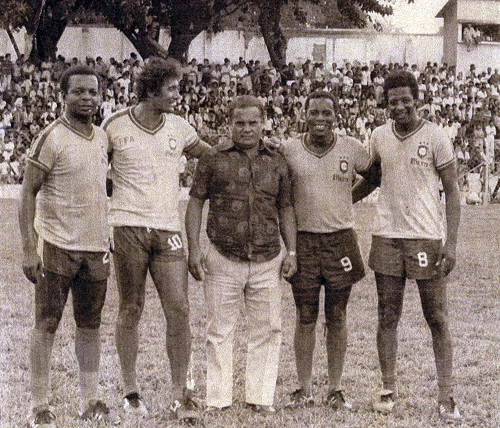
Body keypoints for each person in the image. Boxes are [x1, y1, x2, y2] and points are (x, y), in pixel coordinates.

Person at [101, 57, 214, 423]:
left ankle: (181, 393)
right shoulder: (114, 126)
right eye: (172, 88)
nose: (178, 95)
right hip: (128, 227)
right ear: (150, 91)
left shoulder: (180, 128)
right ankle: (130, 391)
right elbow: (94, 168)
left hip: (168, 231)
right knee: (131, 308)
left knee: (179, 309)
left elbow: (209, 156)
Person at [352, 70, 461, 422]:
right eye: (392, 100)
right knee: (387, 315)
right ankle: (388, 390)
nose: (399, 106)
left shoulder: (437, 136)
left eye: (405, 99)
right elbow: (372, 180)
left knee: (437, 317)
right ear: (385, 103)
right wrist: (340, 202)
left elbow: (453, 191)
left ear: (417, 99)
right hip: (386, 236)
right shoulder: (379, 136)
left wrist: (451, 243)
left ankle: (446, 395)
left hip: (426, 237)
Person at [19, 65, 118, 427]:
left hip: (96, 248)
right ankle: (39, 405)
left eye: (93, 92)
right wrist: (30, 248)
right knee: (46, 324)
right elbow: (27, 193)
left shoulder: (102, 138)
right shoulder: (51, 137)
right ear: (64, 95)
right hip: (58, 245)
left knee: (89, 325)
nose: (87, 98)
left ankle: (90, 399)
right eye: (78, 92)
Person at [185, 95, 297, 413]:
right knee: (219, 329)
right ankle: (218, 399)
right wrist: (194, 249)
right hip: (223, 255)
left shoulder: (277, 160)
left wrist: (292, 251)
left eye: (252, 123)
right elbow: (195, 202)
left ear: (263, 124)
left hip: (267, 257)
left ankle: (260, 397)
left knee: (268, 328)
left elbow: (286, 207)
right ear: (230, 123)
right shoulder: (213, 158)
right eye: (240, 123)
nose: (246, 129)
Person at [283, 91, 370, 410]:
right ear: (304, 114)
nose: (320, 118)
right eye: (314, 112)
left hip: (340, 240)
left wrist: (350, 199)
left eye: (327, 113)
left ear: (337, 116)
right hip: (304, 241)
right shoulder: (289, 149)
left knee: (337, 314)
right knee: (305, 315)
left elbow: (373, 177)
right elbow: (284, 200)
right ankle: (303, 388)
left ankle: (336, 388)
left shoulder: (352, 148)